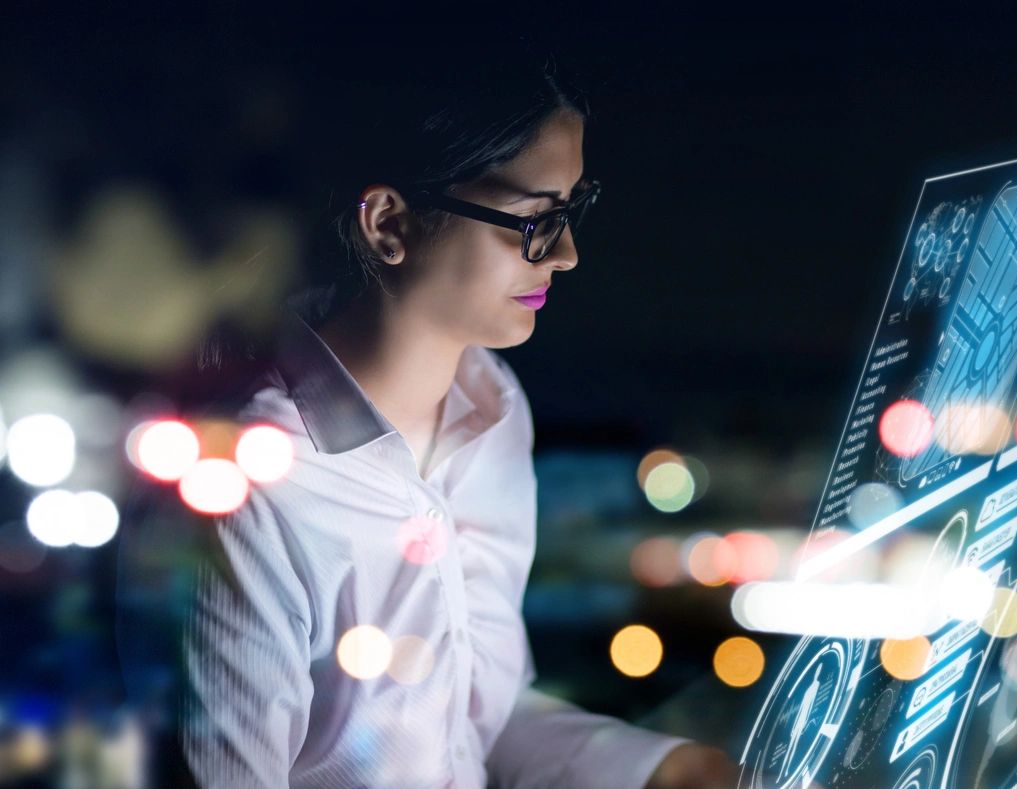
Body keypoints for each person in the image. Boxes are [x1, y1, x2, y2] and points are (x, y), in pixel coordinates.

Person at [160, 51, 739, 788]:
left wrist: (672, 768)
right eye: (535, 219)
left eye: (572, 211)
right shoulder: (260, 476)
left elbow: (471, 717)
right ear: (388, 223)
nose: (566, 253)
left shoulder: (496, 413)